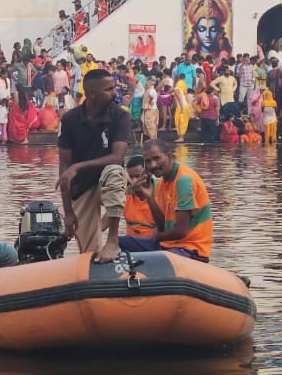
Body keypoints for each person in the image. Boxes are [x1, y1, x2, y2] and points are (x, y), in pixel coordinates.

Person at [57, 68, 131, 263]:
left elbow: (117, 157)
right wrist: (68, 213)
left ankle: (113, 241)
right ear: (92, 94)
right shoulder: (69, 120)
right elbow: (64, 169)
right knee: (88, 253)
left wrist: (78, 167)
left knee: (114, 171)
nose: (115, 93)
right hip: (82, 187)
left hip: (108, 180)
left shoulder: (120, 116)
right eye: (109, 89)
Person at [118, 138, 212, 263]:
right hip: (168, 245)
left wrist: (157, 236)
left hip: (191, 249)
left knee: (160, 259)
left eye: (156, 158)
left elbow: (181, 231)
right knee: (117, 241)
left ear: (169, 155)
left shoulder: (183, 181)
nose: (152, 165)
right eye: (148, 161)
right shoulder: (162, 184)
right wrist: (150, 198)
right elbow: (162, 225)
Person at [122, 155, 157, 239]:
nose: (133, 181)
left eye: (137, 176)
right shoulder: (125, 193)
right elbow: (106, 221)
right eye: (130, 177)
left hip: (154, 245)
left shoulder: (162, 191)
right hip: (130, 244)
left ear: (149, 174)